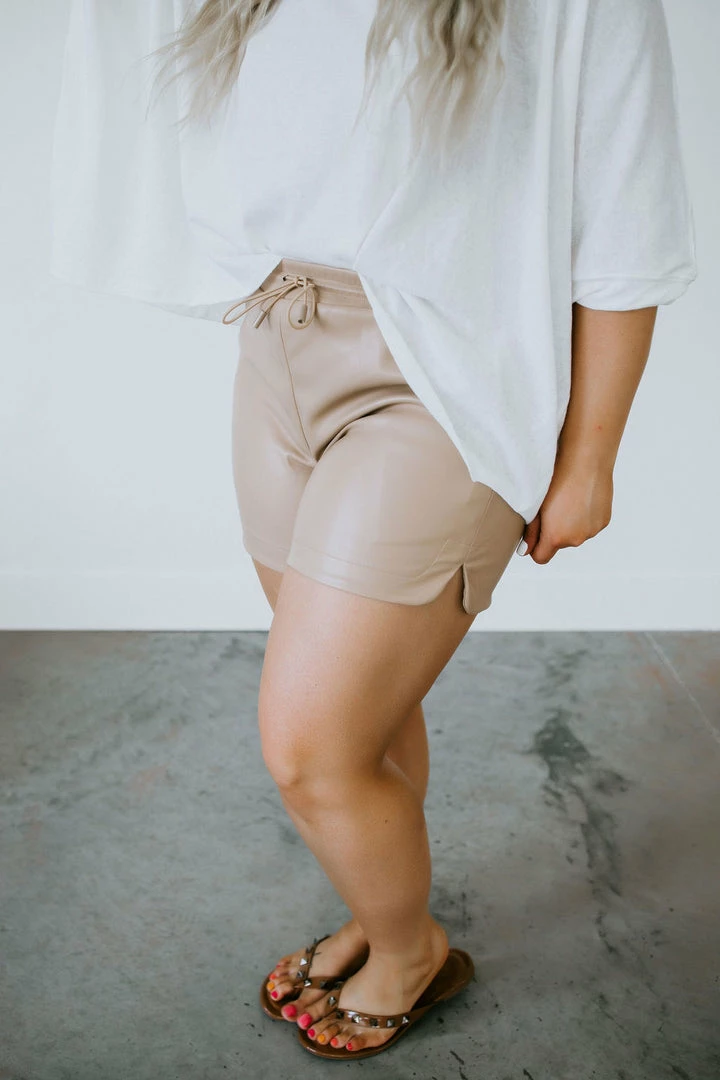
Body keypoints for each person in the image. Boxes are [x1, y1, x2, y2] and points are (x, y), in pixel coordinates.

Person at [49, 0, 698, 1061]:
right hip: (276, 341)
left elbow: (629, 220)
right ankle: (376, 905)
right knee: (368, 719)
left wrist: (591, 457)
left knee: (312, 748)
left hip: (449, 376)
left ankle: (411, 949)